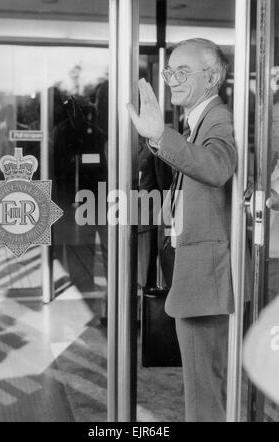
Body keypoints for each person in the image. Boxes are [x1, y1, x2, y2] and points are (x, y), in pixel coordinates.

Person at [127, 38, 237, 422]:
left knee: (203, 395)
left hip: (203, 282)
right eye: (169, 71)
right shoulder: (197, 121)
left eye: (183, 71)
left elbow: (217, 166)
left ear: (212, 78)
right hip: (195, 276)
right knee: (205, 387)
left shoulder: (218, 119)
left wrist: (159, 137)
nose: (172, 78)